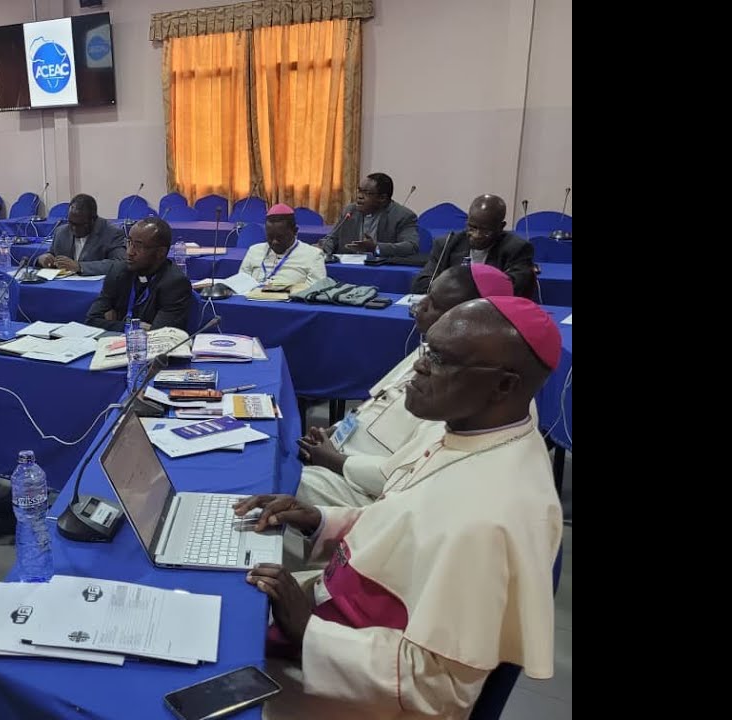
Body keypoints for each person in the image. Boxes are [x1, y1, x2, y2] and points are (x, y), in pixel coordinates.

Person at [235, 296, 564, 720]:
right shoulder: (469, 431)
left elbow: (439, 688)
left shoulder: (493, 515)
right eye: (426, 351)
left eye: (440, 360)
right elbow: (406, 521)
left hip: (355, 694)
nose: (418, 368)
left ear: (504, 385)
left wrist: (308, 632)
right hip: (340, 611)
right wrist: (319, 519)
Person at [297, 264, 515, 507]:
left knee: (280, 485)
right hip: (338, 455)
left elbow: (405, 476)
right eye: (426, 296)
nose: (418, 307)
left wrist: (332, 459)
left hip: (369, 492)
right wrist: (332, 432)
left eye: (434, 304)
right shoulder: (434, 348)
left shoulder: (466, 387)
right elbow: (374, 403)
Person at [412, 194, 537, 299]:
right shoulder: (447, 244)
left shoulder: (517, 248)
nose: (477, 235)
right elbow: (422, 283)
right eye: (472, 228)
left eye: (486, 231)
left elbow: (512, 289)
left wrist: (458, 292)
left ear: (501, 227)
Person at [84, 217, 193, 331]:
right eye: (129, 242)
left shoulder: (175, 283)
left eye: (138, 246)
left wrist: (112, 323)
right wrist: (135, 327)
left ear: (160, 252)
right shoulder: (118, 272)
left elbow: (160, 334)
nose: (129, 252)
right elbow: (91, 321)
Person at [316, 173, 420, 257]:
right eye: (359, 191)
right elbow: (332, 239)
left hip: (382, 272)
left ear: (382, 198)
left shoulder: (403, 216)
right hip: (349, 267)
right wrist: (320, 249)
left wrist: (376, 247)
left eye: (366, 193)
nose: (360, 196)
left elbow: (411, 246)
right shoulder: (350, 211)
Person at [36, 194, 127, 276]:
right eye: (71, 223)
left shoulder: (112, 233)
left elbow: (121, 263)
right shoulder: (61, 232)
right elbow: (51, 254)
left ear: (93, 220)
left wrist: (80, 266)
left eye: (80, 225)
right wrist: (43, 258)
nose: (74, 229)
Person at [238, 203, 327, 287]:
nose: (274, 242)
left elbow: (315, 292)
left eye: (280, 237)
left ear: (295, 231)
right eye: (270, 237)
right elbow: (240, 284)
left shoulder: (313, 255)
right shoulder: (254, 250)